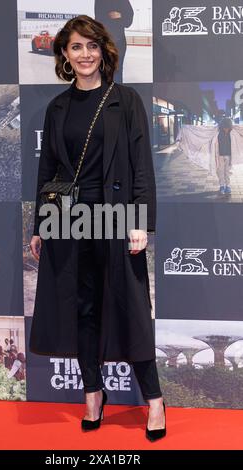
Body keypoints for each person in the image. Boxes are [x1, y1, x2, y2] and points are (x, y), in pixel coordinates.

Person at [29, 15, 166, 442]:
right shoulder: (58, 108)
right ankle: (93, 395)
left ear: (103, 51)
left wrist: (140, 222)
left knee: (132, 311)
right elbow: (48, 170)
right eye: (75, 47)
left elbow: (142, 168)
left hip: (117, 218)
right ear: (64, 56)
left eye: (91, 46)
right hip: (70, 222)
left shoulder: (126, 101)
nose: (84, 54)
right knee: (82, 309)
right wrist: (40, 224)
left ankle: (155, 401)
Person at [94, 0, 134, 83]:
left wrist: (120, 15)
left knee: (117, 71)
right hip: (104, 41)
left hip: (119, 42)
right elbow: (98, 19)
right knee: (103, 70)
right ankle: (104, 94)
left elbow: (129, 20)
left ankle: (116, 94)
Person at [215, 117, 233, 195]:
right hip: (220, 155)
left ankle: (228, 186)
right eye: (225, 128)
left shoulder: (232, 133)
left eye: (228, 128)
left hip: (228, 155)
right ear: (222, 127)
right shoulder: (218, 133)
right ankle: (222, 185)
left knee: (227, 171)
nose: (226, 129)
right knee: (220, 171)